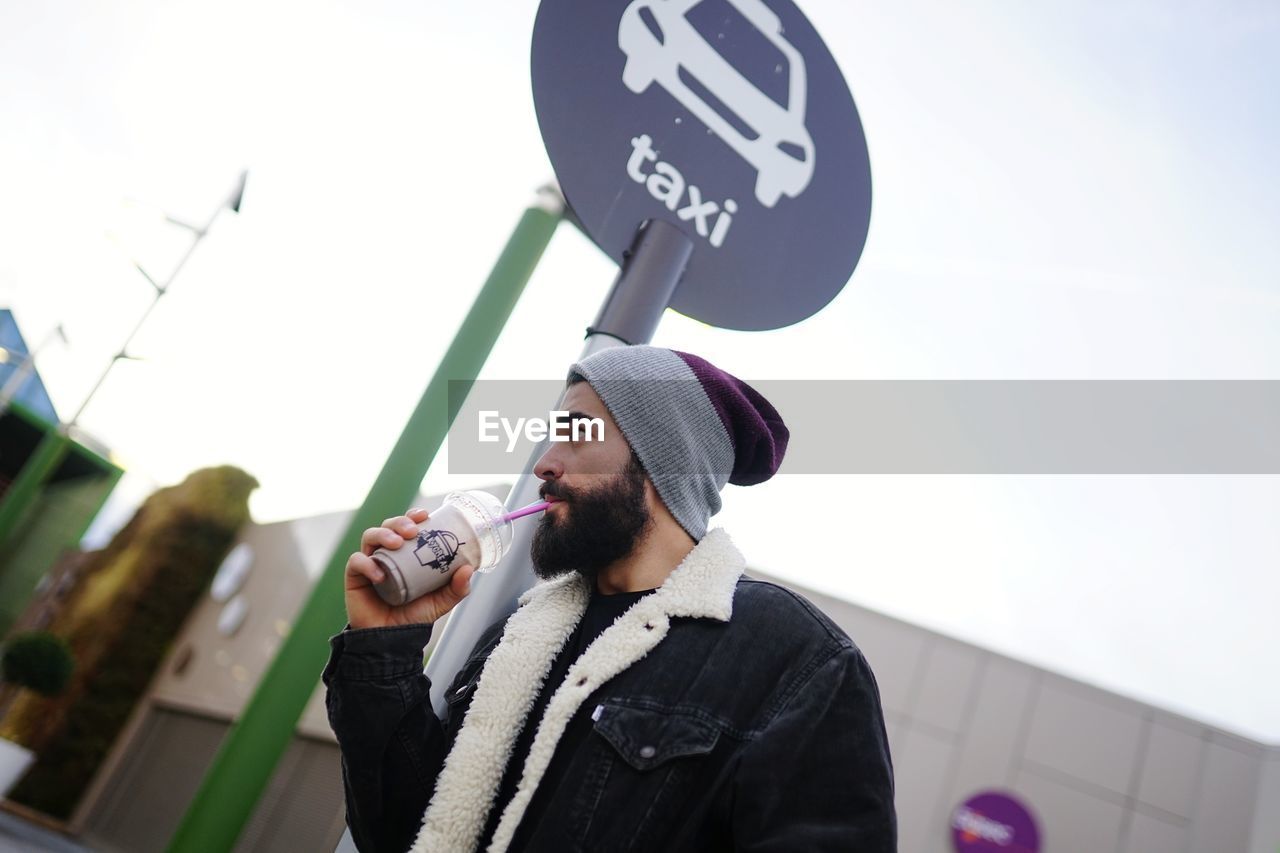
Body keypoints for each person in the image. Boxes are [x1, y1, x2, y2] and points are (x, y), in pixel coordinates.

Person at [323, 345, 896, 853]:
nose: (546, 462)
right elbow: (409, 833)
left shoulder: (796, 659)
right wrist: (384, 645)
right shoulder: (521, 632)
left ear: (659, 457)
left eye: (577, 431)